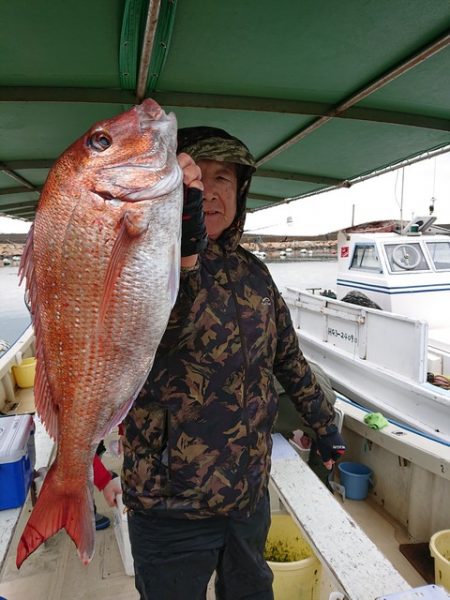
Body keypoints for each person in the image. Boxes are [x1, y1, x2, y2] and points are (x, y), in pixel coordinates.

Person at [115, 127, 346, 600]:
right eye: (199, 175)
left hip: (246, 497)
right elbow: (165, 323)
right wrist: (182, 246)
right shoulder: (142, 266)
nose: (213, 190)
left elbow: (288, 359)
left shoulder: (255, 273)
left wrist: (325, 425)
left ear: (241, 192)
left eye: (226, 177)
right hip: (170, 507)